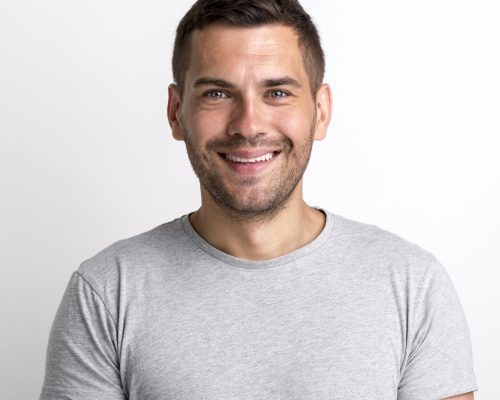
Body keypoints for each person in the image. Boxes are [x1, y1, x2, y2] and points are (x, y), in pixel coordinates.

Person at [39, 1, 479, 399]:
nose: (248, 125)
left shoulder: (411, 284)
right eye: (217, 93)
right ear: (176, 112)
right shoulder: (106, 292)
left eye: (277, 93)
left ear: (320, 111)